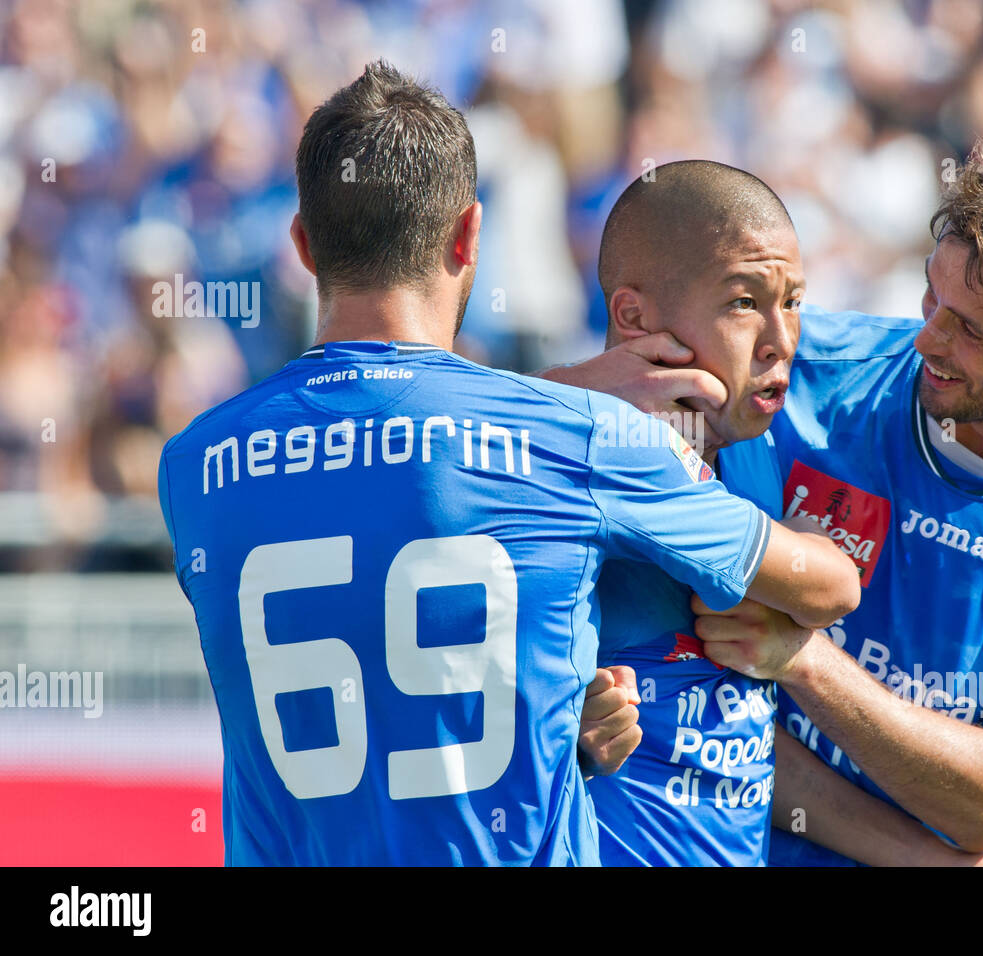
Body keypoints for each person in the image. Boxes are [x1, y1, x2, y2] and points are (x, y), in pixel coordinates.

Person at [156, 62, 860, 866]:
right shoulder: (576, 438)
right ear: (469, 237)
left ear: (303, 245)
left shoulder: (197, 465)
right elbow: (826, 585)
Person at [570, 144, 983, 866]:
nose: (928, 338)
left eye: (972, 330)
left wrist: (804, 660)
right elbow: (526, 426)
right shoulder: (791, 373)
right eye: (932, 296)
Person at [552, 160, 983, 867]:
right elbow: (831, 585)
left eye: (795, 300)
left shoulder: (751, 448)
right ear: (633, 318)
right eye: (744, 302)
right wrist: (559, 724)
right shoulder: (585, 457)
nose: (783, 338)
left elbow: (759, 757)